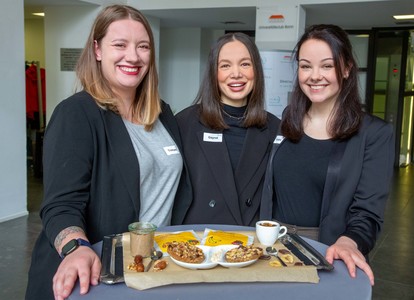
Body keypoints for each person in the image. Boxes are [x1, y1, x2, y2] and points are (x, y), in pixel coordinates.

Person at [26, 5, 191, 299]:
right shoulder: (77, 114)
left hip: (151, 269)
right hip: (97, 274)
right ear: (97, 49)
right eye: (120, 45)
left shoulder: (162, 112)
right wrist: (76, 248)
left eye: (143, 46)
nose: (133, 56)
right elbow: (60, 205)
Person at [260, 24, 394, 285]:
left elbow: (368, 212)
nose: (314, 75)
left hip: (327, 253)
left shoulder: (374, 134)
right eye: (306, 66)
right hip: (273, 252)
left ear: (346, 69)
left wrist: (349, 241)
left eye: (327, 66)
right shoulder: (289, 120)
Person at [172, 32, 280, 226]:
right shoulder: (185, 123)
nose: (236, 73)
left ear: (257, 70)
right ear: (214, 73)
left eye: (245, 64)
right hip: (196, 244)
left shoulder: (274, 128)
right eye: (225, 65)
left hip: (249, 246)